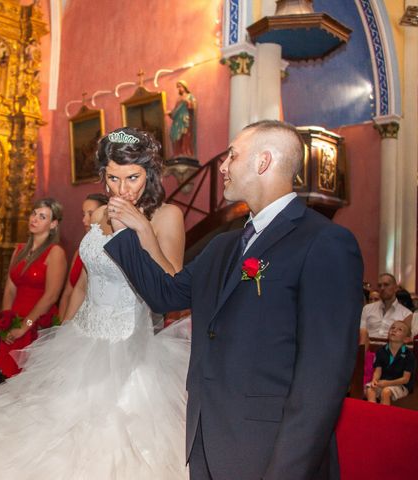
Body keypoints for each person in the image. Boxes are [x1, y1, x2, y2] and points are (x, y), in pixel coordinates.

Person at [0, 127, 189, 479]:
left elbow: (172, 284)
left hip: (129, 347)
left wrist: (142, 230)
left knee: (110, 443)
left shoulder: (166, 215)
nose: (122, 189)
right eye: (113, 178)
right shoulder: (98, 216)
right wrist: (65, 328)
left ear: (149, 173)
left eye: (133, 178)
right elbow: (83, 284)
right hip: (80, 341)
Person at [105, 120, 363, 480]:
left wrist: (287, 470)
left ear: (263, 162)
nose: (222, 166)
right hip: (206, 439)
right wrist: (126, 236)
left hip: (270, 451)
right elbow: (166, 295)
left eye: (232, 155)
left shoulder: (324, 242)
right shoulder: (223, 245)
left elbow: (322, 377)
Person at [0, 198, 67, 381]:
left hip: (37, 323)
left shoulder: (55, 252)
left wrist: (25, 326)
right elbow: (10, 289)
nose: (34, 219)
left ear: (53, 224)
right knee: (7, 379)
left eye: (42, 217)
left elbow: (51, 296)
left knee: (28, 381)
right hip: (15, 321)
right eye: (34, 213)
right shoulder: (18, 250)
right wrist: (6, 320)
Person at [58, 192, 108, 318]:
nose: (84, 220)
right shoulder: (79, 252)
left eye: (90, 214)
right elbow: (68, 292)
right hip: (71, 319)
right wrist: (62, 324)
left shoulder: (109, 252)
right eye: (83, 214)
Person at [365, 321, 415, 405]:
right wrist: (375, 380)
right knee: (370, 389)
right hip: (383, 381)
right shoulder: (381, 351)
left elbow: (405, 379)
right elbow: (378, 370)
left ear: (406, 339)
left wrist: (387, 383)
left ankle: (384, 416)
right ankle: (373, 414)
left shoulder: (409, 355)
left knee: (386, 392)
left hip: (401, 385)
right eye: (392, 328)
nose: (394, 330)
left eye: (399, 329)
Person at [360, 273, 411, 339]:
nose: (382, 288)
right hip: (369, 347)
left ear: (395, 288)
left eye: (386, 285)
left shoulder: (406, 314)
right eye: (379, 285)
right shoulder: (367, 309)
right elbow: (361, 333)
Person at [168, 80, 196, 158]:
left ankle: (185, 153)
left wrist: (187, 101)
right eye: (178, 87)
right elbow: (175, 111)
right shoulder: (178, 99)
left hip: (185, 119)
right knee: (175, 135)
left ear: (184, 87)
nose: (179, 88)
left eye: (180, 86)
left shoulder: (190, 96)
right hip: (177, 121)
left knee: (185, 135)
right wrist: (170, 113)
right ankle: (178, 154)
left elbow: (193, 107)